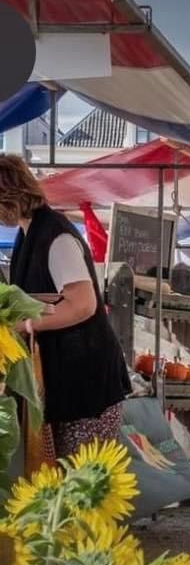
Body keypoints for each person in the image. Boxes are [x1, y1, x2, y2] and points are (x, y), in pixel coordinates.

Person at [2, 155, 131, 459]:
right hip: (68, 377)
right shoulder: (29, 233)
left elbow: (82, 305)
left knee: (83, 479)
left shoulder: (55, 237)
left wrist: (25, 325)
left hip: (86, 378)